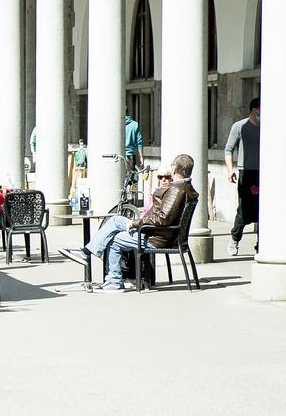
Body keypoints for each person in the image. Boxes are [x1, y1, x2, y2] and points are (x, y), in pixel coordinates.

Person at [59, 154, 198, 293]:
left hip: (156, 237)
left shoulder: (176, 189)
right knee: (115, 220)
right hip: (162, 234)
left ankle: (113, 281)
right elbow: (165, 216)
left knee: (115, 239)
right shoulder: (186, 188)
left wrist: (137, 223)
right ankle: (87, 253)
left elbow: (163, 218)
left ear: (174, 169)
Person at [224, 97, 261, 256]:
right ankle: (235, 238)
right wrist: (230, 169)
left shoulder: (268, 128)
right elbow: (228, 149)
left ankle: (262, 242)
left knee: (263, 209)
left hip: (264, 172)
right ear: (255, 110)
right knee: (244, 209)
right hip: (246, 172)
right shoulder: (239, 126)